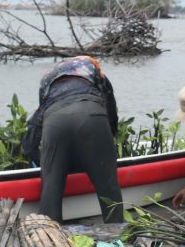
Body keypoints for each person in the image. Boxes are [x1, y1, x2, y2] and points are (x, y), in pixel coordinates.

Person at [22, 55, 124, 223]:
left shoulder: (47, 81)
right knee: (109, 189)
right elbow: (111, 112)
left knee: (50, 189)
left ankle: (50, 239)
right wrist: (105, 148)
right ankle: (119, 235)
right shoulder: (94, 72)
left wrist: (43, 161)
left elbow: (33, 132)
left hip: (54, 122)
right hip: (91, 113)